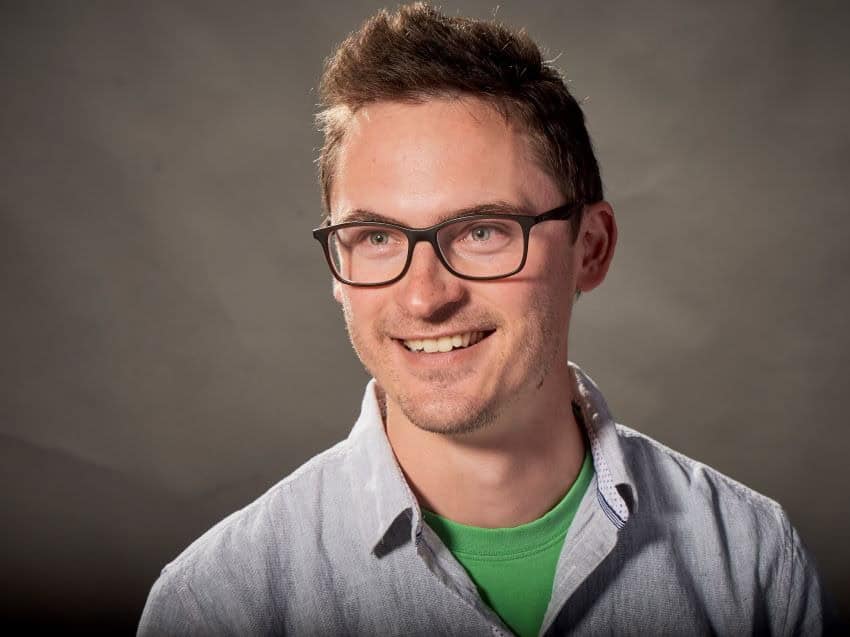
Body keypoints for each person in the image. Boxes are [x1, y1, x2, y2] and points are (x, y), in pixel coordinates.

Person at [138, 4, 835, 635]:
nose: (424, 297)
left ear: (590, 248)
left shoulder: (751, 563)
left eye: (482, 232)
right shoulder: (217, 605)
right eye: (375, 237)